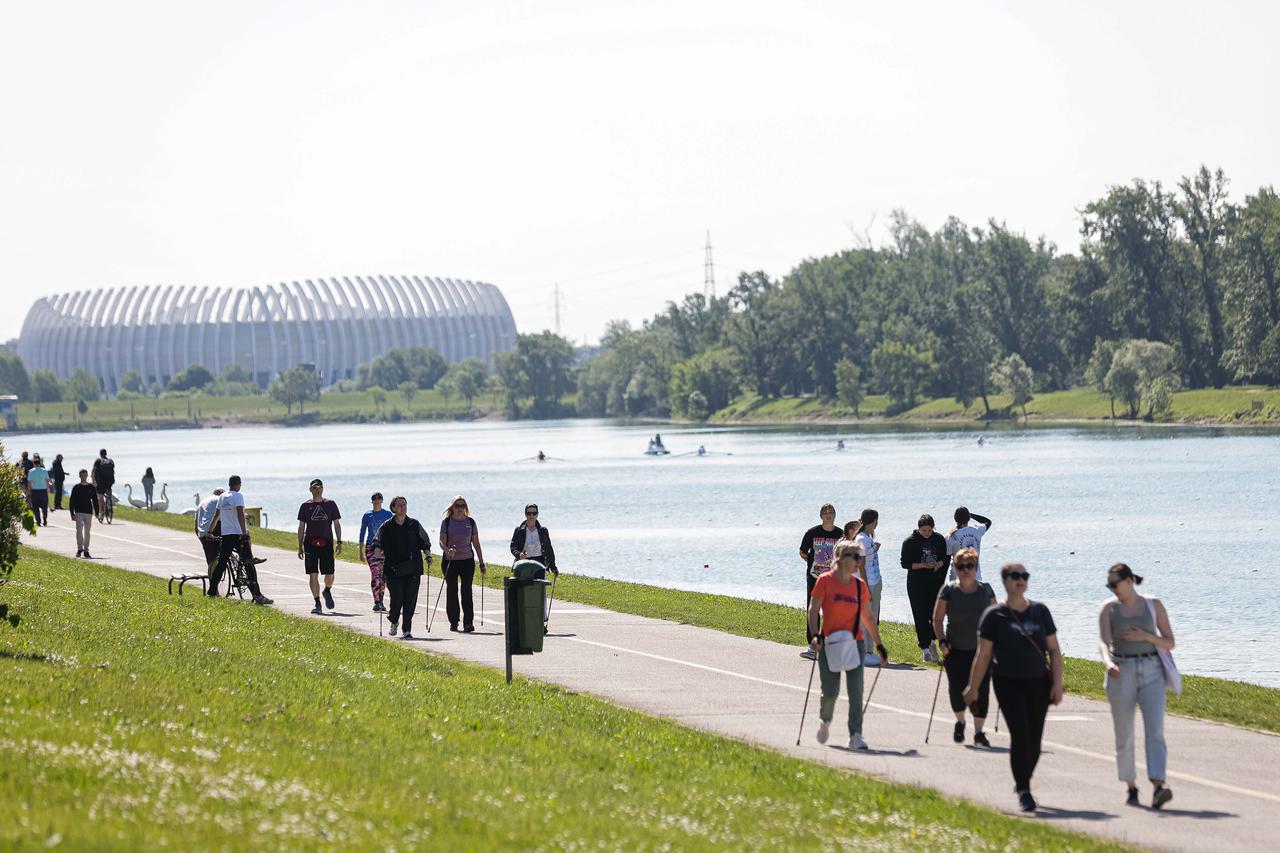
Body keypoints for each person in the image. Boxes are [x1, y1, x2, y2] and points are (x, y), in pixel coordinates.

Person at [964, 563, 1065, 813]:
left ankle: (1022, 778)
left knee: (1035, 741)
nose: (1021, 580)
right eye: (1015, 576)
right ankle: (1024, 790)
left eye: (1024, 576)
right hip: (1007, 682)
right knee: (1020, 735)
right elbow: (983, 654)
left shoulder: (1040, 612)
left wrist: (1057, 683)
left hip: (1038, 682)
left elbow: (1053, 649)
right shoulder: (994, 615)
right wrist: (973, 687)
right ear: (1005, 581)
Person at [1099, 562, 1176, 809]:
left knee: (1155, 731)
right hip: (1122, 671)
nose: (1112, 589)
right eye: (1109, 585)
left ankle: (1158, 785)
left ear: (1129, 581)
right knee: (1124, 733)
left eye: (1115, 584)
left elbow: (1169, 642)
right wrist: (1108, 663)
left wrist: (1145, 636)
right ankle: (1131, 786)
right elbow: (1103, 642)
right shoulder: (1108, 609)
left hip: (1152, 669)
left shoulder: (1153, 605)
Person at [807, 540, 888, 751]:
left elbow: (868, 617)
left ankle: (855, 735)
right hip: (829, 643)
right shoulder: (825, 581)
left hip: (855, 642)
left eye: (860, 558)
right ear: (841, 559)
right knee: (831, 692)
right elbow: (813, 609)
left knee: (856, 691)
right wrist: (815, 636)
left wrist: (879, 645)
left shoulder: (859, 586)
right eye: (855, 557)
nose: (859, 562)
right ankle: (825, 721)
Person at [932, 547, 997, 746]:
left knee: (981, 690)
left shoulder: (985, 589)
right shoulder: (949, 590)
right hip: (955, 649)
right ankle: (960, 721)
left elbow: (996, 617)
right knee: (957, 689)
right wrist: (942, 641)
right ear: (956, 568)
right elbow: (937, 619)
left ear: (976, 567)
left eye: (970, 566)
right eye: (961, 566)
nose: (966, 570)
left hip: (982, 651)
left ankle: (978, 731)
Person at [372, 496, 432, 639]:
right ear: (393, 508)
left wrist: (428, 556)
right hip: (393, 569)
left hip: (413, 567)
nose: (402, 507)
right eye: (399, 505)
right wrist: (378, 558)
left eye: (404, 504)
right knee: (397, 598)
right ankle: (394, 620)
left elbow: (425, 541)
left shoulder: (414, 524)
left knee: (410, 599)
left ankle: (407, 630)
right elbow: (377, 543)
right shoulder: (387, 526)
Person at [207, 475, 271, 605]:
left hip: (226, 535)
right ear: (238, 484)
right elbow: (240, 513)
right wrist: (243, 532)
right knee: (248, 564)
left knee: (221, 564)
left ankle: (212, 592)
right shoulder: (238, 496)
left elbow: (216, 515)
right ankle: (257, 595)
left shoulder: (222, 497)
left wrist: (210, 531)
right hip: (237, 535)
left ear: (229, 484)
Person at [900, 514, 950, 662]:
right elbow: (905, 564)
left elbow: (945, 558)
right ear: (919, 528)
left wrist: (939, 564)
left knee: (934, 615)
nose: (927, 533)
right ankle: (925, 648)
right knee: (920, 615)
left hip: (935, 582)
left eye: (929, 530)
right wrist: (923, 565)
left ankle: (933, 641)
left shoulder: (939, 539)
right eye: (924, 530)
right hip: (916, 583)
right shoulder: (910, 542)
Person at [798, 504, 841, 660]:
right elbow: (802, 552)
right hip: (815, 577)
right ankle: (813, 645)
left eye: (831, 513)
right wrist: (814, 564)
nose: (828, 515)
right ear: (821, 516)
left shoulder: (840, 534)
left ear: (835, 515)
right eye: (825, 513)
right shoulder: (812, 533)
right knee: (813, 610)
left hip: (833, 579)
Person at [439, 495, 486, 632]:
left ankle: (468, 623)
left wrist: (482, 563)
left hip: (467, 561)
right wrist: (448, 551)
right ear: (452, 508)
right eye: (457, 506)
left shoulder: (470, 522)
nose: (460, 508)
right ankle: (454, 622)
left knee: (467, 591)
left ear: (466, 508)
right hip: (450, 561)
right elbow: (442, 542)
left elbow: (476, 544)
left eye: (462, 506)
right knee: (452, 590)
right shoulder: (447, 522)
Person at [297, 478, 342, 615]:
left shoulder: (330, 504)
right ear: (310, 489)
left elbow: (336, 524)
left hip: (326, 543)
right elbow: (301, 527)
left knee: (330, 574)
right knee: (313, 574)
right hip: (310, 543)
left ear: (323, 488)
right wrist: (300, 546)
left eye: (319, 487)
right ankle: (317, 603)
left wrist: (339, 542)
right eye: (315, 488)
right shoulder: (305, 506)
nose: (317, 490)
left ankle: (327, 590)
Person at [510, 503, 559, 629]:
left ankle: (541, 623)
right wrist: (519, 554)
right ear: (525, 514)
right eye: (529, 513)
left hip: (539, 563)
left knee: (539, 593)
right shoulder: (519, 530)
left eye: (534, 513)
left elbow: (548, 548)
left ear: (537, 514)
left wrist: (553, 566)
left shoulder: (542, 530)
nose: (531, 516)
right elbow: (513, 547)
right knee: (524, 593)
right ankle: (524, 621)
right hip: (524, 564)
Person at [852, 509, 884, 666]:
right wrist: (865, 587)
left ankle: (868, 651)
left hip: (874, 581)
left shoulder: (867, 538)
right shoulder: (862, 539)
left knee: (872, 617)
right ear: (874, 521)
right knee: (867, 619)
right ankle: (865, 652)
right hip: (869, 583)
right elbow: (861, 567)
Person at [359, 492, 394, 612]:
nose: (377, 500)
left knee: (383, 575)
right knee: (375, 574)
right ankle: (376, 601)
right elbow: (362, 533)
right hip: (371, 548)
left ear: (382, 500)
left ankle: (382, 601)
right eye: (374, 498)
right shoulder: (367, 515)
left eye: (379, 498)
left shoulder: (388, 514)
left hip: (384, 548)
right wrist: (360, 551)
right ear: (372, 501)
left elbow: (392, 531)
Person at [946, 506, 994, 581]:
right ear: (968, 518)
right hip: (975, 577)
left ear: (955, 519)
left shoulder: (950, 536)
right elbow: (988, 522)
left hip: (956, 578)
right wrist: (971, 515)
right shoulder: (977, 530)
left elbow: (947, 558)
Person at [68, 469, 98, 558]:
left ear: (87, 476)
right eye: (82, 475)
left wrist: (97, 512)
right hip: (79, 512)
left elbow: (95, 500)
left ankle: (86, 550)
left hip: (88, 512)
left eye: (85, 475)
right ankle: (80, 548)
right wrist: (72, 513)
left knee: (87, 532)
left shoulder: (91, 487)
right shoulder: (76, 487)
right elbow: (72, 501)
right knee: (79, 531)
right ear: (80, 476)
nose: (84, 477)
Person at [194, 488, 226, 571]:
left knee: (211, 561)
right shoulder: (220, 499)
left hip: (202, 532)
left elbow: (196, 526)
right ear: (221, 493)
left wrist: (203, 540)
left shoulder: (201, 503)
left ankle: (212, 579)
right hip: (215, 528)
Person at [91, 449, 115, 522]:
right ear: (106, 454)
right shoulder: (110, 461)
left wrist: (93, 480)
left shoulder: (98, 461)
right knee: (109, 489)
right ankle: (109, 504)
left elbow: (93, 471)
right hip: (109, 481)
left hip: (101, 482)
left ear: (100, 454)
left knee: (100, 496)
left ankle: (101, 512)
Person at [27, 455, 50, 526]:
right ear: (40, 463)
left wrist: (29, 491)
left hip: (35, 491)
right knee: (44, 507)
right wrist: (48, 489)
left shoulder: (31, 471)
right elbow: (47, 481)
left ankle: (38, 521)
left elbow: (29, 483)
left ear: (34, 464)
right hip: (43, 490)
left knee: (36, 507)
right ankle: (45, 519)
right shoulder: (45, 471)